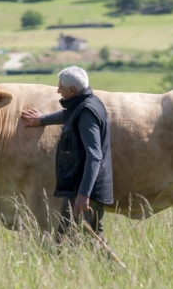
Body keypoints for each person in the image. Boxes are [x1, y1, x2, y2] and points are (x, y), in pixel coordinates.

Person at [21, 66, 113, 243]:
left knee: (89, 239)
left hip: (87, 191)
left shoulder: (87, 111)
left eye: (60, 87)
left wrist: (83, 195)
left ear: (72, 90)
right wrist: (41, 120)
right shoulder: (86, 103)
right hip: (79, 188)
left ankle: (117, 269)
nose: (57, 90)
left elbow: (94, 156)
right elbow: (69, 116)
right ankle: (75, 270)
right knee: (66, 240)